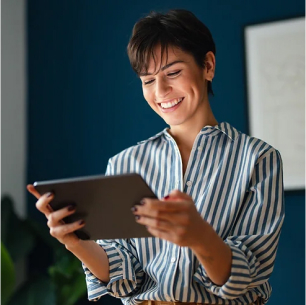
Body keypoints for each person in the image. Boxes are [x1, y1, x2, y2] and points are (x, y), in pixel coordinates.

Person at [27, 9, 285, 305]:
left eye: (173, 73)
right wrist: (75, 242)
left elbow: (249, 274)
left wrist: (200, 237)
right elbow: (125, 274)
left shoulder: (258, 159)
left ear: (208, 65)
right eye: (147, 80)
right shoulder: (124, 164)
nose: (160, 91)